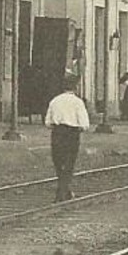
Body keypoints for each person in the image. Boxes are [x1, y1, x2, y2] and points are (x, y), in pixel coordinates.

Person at [44, 72, 92, 201]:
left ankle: (63, 190)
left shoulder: (55, 101)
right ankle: (63, 191)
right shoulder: (78, 102)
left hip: (57, 133)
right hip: (72, 134)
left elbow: (48, 122)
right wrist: (79, 128)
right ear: (75, 87)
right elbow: (85, 124)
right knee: (69, 162)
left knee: (59, 161)